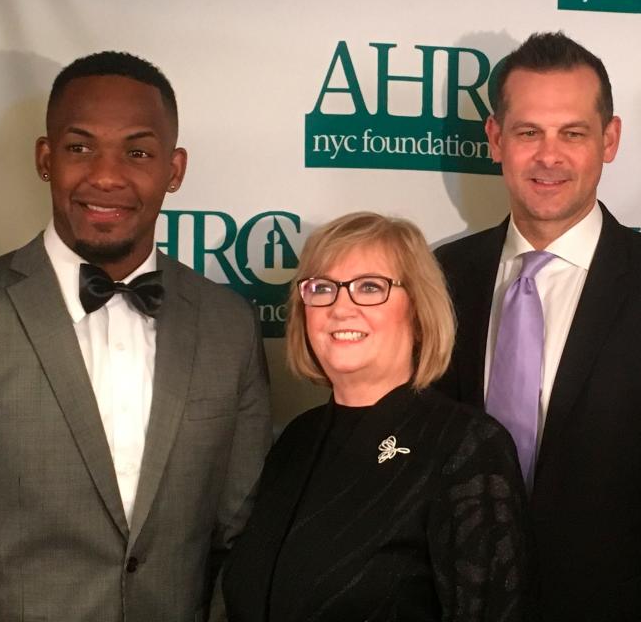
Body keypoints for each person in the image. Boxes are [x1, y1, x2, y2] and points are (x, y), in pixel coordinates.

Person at [434, 32, 641, 620]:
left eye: (572, 133)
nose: (549, 156)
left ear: (610, 139)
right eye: (528, 132)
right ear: (496, 139)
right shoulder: (439, 278)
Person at [0, 51, 271, 621]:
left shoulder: (228, 325)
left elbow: (241, 536)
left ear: (175, 168)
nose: (106, 176)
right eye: (79, 147)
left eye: (137, 152)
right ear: (45, 158)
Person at [222, 212, 531, 622]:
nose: (340, 308)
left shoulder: (466, 447)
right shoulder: (297, 438)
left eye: (370, 287)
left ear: (419, 313)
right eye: (322, 288)